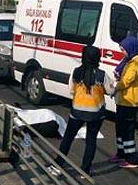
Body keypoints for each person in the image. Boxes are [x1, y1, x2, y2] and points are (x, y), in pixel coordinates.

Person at [48, 45, 114, 177]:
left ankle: (58, 165)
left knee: (68, 138)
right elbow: (111, 90)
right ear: (97, 58)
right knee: (91, 140)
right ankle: (85, 170)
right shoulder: (102, 75)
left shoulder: (76, 72)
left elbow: (71, 90)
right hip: (96, 113)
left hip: (77, 112)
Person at [109, 36, 138, 169]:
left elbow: (126, 81)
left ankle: (132, 159)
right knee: (120, 128)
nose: (122, 52)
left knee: (128, 131)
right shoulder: (128, 61)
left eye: (123, 49)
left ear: (131, 48)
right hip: (123, 100)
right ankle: (121, 153)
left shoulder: (135, 63)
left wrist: (113, 88)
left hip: (130, 102)